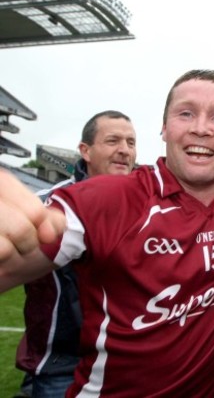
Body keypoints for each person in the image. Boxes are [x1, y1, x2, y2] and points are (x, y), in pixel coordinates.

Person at [0, 69, 214, 396]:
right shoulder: (110, 199)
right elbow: (12, 262)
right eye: (186, 113)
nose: (201, 128)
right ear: (164, 129)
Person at [16, 110, 137, 398]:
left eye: (131, 143)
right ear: (86, 150)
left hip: (125, 360)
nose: (124, 150)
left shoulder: (148, 207)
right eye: (113, 140)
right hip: (63, 363)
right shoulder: (46, 205)